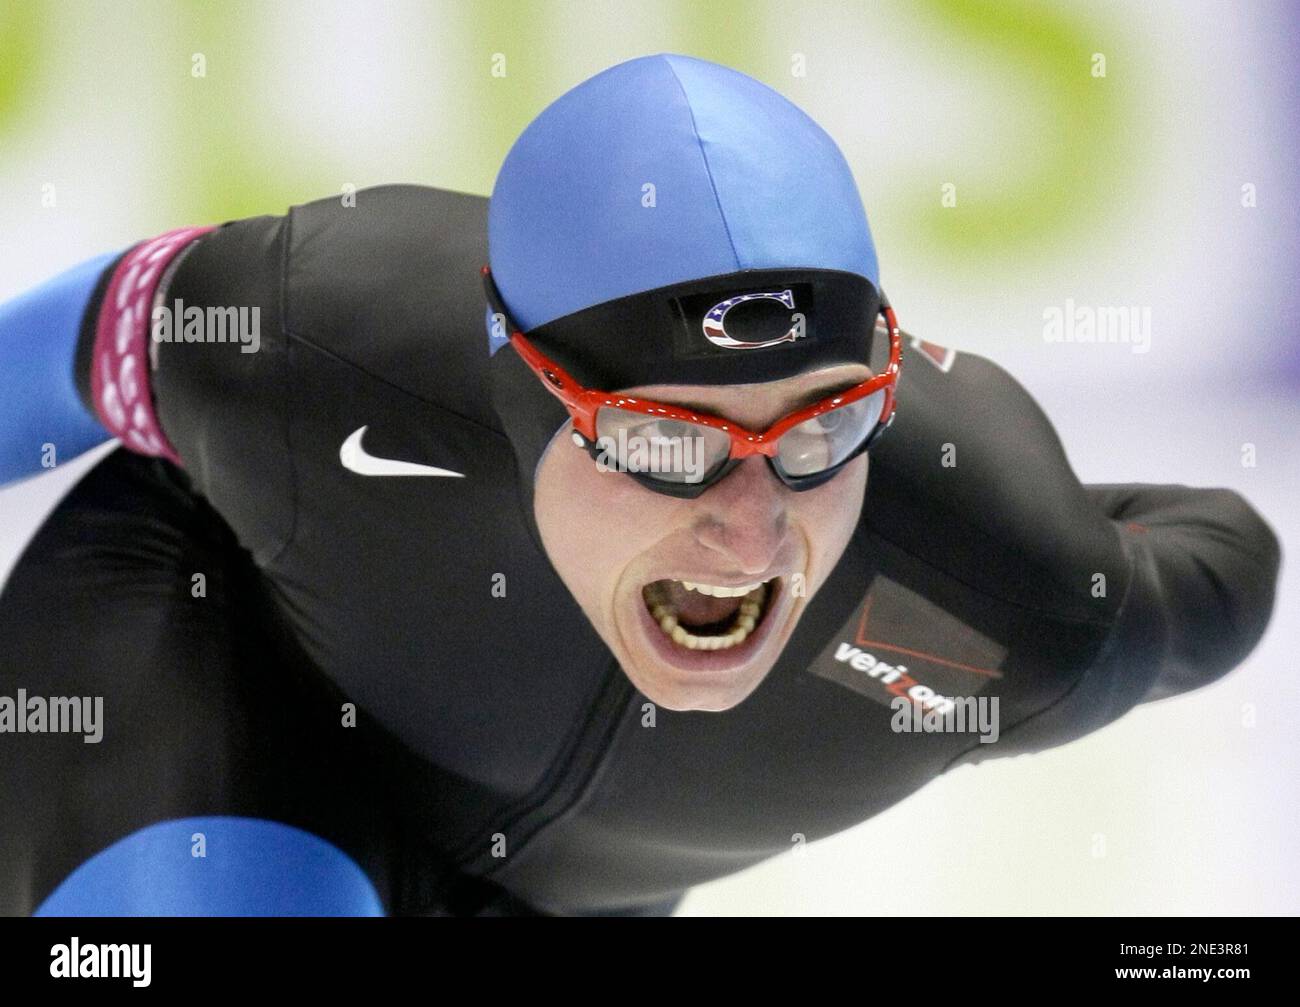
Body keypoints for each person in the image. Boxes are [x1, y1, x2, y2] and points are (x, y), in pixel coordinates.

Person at [0, 53, 1281, 917]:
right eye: (668, 442)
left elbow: (1225, 551)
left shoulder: (1012, 601)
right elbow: (43, 372)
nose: (751, 525)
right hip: (200, 653)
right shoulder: (309, 332)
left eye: (819, 430)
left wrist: (1012, 531)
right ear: (518, 390)